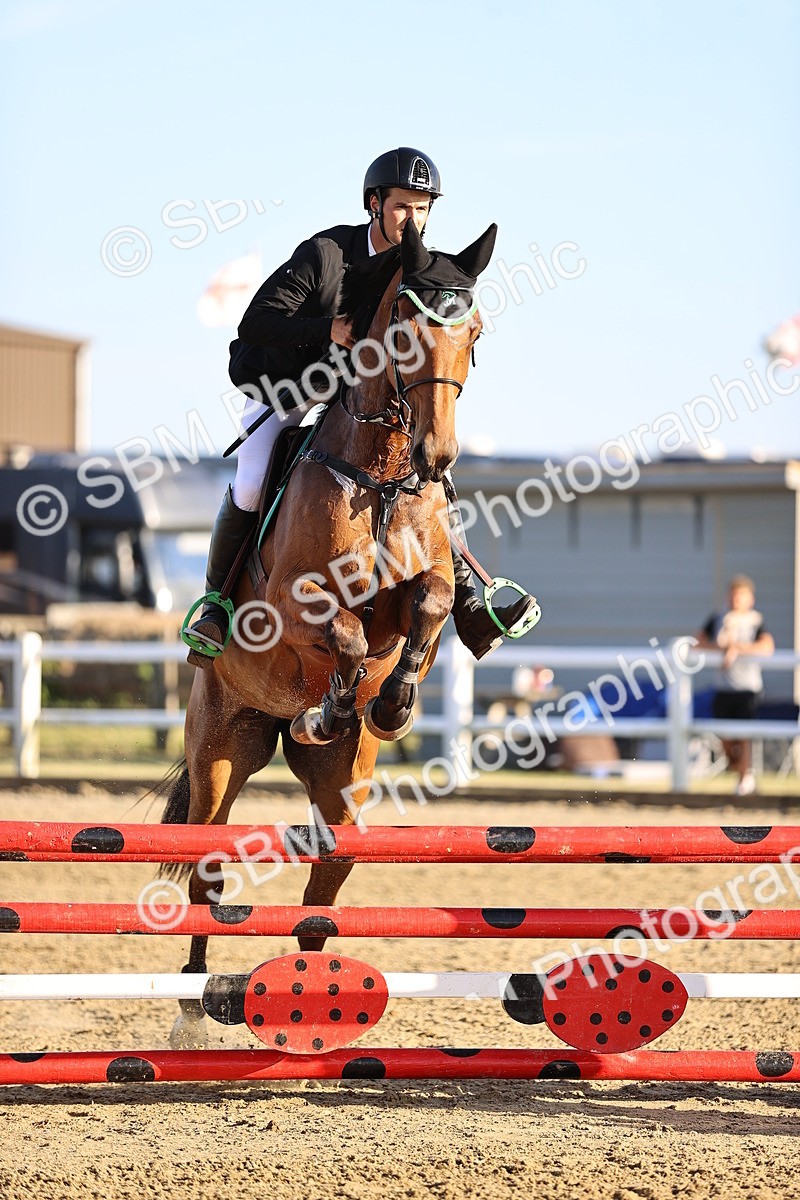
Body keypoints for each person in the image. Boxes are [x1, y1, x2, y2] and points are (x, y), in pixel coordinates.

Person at [184, 147, 538, 668]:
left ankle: (464, 596)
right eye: (402, 207)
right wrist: (326, 329)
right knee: (255, 479)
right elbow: (254, 323)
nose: (412, 220)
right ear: (374, 203)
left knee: (427, 470)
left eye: (422, 209)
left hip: (356, 396)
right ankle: (215, 604)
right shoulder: (325, 254)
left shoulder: (419, 268)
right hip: (288, 382)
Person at [696, 575, 775, 795]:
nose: (735, 600)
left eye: (740, 596)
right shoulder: (718, 617)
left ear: (750, 599)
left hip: (747, 688)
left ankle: (744, 780)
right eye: (732, 595)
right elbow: (698, 643)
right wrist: (722, 649)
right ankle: (741, 773)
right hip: (723, 687)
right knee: (726, 738)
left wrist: (737, 648)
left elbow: (767, 647)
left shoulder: (755, 620)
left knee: (744, 735)